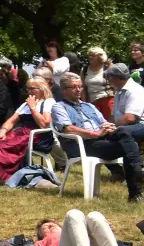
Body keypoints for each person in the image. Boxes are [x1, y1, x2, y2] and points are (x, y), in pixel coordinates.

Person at [52, 72, 143, 201]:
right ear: (64, 90)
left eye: (80, 86)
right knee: (130, 146)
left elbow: (103, 122)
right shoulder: (59, 107)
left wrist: (108, 127)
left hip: (102, 139)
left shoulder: (89, 106)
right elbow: (67, 129)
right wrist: (95, 133)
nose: (78, 90)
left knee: (124, 132)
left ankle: (136, 181)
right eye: (74, 87)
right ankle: (136, 184)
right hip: (83, 145)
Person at [0, 77, 53, 183]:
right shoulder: (25, 104)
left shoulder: (48, 102)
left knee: (5, 146)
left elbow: (44, 124)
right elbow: (11, 120)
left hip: (38, 136)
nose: (29, 91)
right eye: (28, 89)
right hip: (22, 133)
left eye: (33, 88)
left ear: (42, 89)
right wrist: (3, 131)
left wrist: (33, 108)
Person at [84, 48, 112, 114]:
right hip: (91, 102)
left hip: (107, 100)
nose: (90, 57)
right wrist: (84, 103)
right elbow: (83, 87)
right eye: (89, 55)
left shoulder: (108, 67)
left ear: (100, 57)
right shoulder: (85, 69)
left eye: (93, 55)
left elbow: (116, 84)